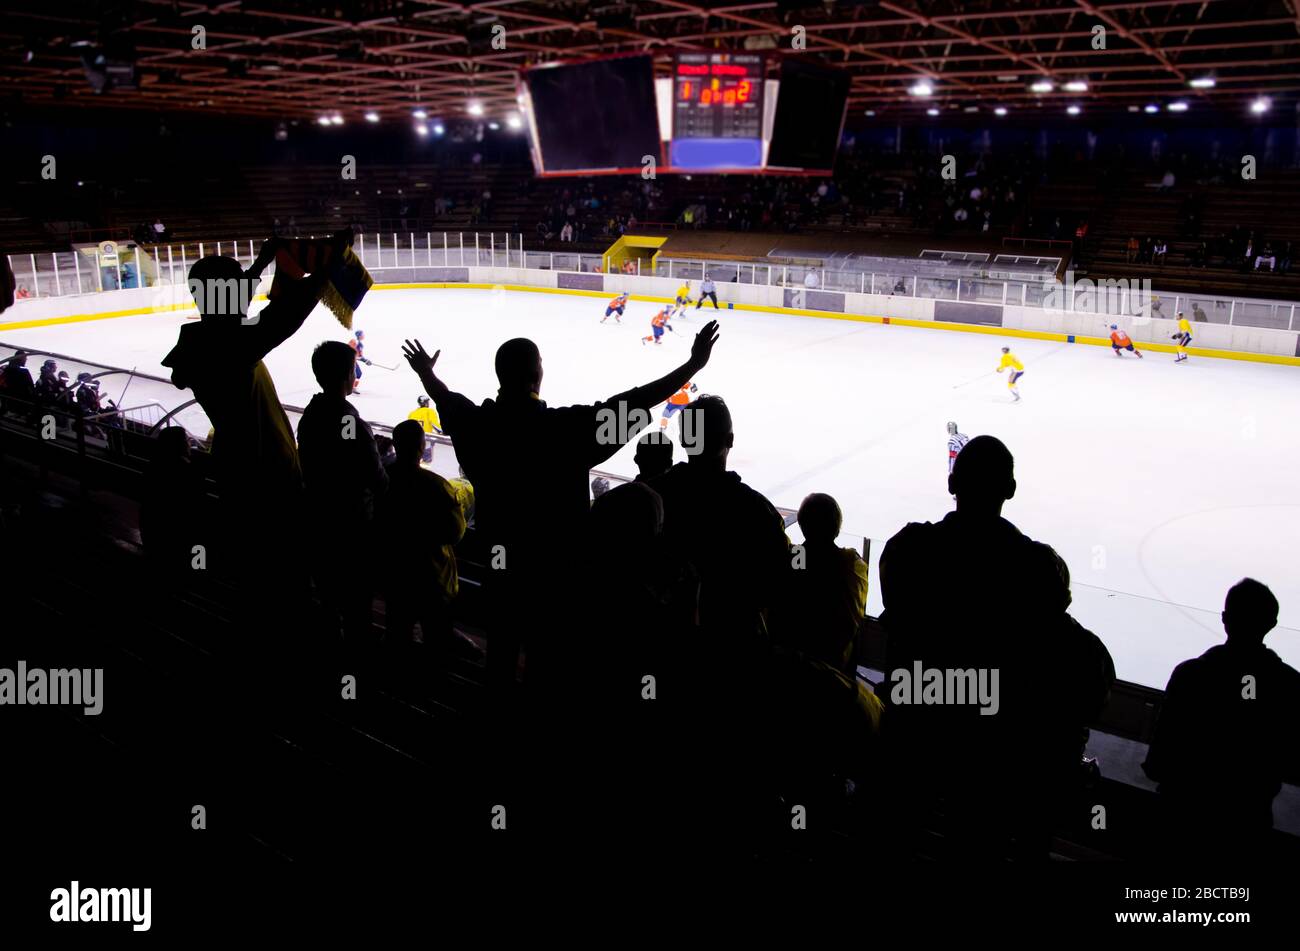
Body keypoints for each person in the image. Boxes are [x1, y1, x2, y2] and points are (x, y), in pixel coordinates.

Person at [400, 320, 721, 697]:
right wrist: (692, 366)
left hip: (499, 560)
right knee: (547, 660)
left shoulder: (475, 423)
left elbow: (445, 398)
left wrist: (426, 373)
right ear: (538, 372)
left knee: (501, 648)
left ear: (500, 375)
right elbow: (633, 403)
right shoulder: (566, 431)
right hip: (554, 571)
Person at [161, 234, 340, 584]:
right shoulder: (231, 344)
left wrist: (261, 263)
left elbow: (231, 306)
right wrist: (327, 269)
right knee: (279, 566)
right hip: (266, 472)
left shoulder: (202, 340)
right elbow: (285, 314)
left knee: (251, 561)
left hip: (238, 465)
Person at [1143, 579, 1300, 857]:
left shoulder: (1190, 675)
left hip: (1180, 820)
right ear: (1271, 624)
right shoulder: (1290, 686)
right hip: (1247, 826)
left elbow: (1158, 762)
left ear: (1225, 618)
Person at [296, 340, 388, 643]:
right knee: (356, 608)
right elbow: (378, 481)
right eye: (352, 370)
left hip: (318, 525)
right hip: (352, 533)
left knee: (329, 602)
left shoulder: (311, 415)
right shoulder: (349, 421)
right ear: (346, 376)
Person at [376, 419, 466, 666]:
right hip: (432, 580)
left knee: (398, 633)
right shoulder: (438, 487)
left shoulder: (383, 480)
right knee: (435, 640)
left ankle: (396, 681)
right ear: (421, 447)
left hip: (394, 575)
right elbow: (456, 533)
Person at [770, 492, 867, 673]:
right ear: (837, 525)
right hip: (835, 669)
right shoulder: (850, 563)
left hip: (792, 663)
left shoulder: (795, 558)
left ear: (802, 524)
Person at [407, 394, 441, 463]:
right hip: (425, 442)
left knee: (414, 462)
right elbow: (436, 426)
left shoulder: (412, 413)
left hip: (413, 442)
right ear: (425, 403)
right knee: (426, 463)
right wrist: (441, 432)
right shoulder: (430, 411)